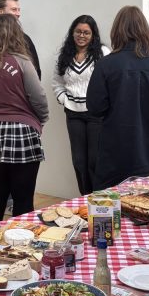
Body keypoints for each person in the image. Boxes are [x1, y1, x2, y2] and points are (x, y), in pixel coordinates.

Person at [0, 14, 48, 225]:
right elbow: (38, 96)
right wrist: (41, 120)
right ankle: (22, 242)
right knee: (23, 196)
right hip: (22, 131)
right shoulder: (22, 62)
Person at [87, 6, 149, 190]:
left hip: (116, 151)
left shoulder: (106, 65)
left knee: (108, 210)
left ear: (116, 30)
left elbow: (95, 107)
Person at [52, 15, 108, 195]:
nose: (81, 36)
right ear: (72, 33)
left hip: (96, 115)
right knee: (79, 161)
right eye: (78, 31)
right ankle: (84, 199)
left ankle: (99, 200)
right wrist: (63, 99)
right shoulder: (64, 55)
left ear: (93, 35)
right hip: (73, 114)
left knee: (95, 160)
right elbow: (57, 82)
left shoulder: (103, 53)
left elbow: (111, 80)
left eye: (86, 32)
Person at [0, 0, 41, 77]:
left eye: (19, 10)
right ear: (0, 11)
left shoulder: (25, 39)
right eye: (14, 10)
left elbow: (36, 71)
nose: (18, 14)